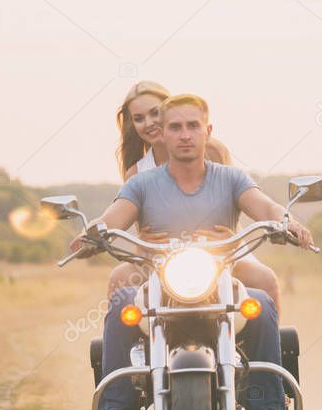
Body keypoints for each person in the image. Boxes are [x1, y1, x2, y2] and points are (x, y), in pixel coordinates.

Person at [68, 93, 315, 410]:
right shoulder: (143, 184)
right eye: (175, 127)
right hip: (159, 279)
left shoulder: (231, 179)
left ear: (207, 131)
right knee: (123, 301)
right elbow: (114, 216)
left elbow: (264, 206)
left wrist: (286, 222)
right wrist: (91, 233)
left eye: (193, 126)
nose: (185, 135)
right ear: (162, 136)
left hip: (218, 278)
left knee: (259, 303)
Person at [107, 81, 281, 312]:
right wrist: (141, 247)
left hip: (220, 250)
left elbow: (226, 202)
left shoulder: (211, 153)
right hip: (160, 258)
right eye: (139, 118)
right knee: (119, 281)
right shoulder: (137, 173)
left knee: (265, 279)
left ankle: (268, 345)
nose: (150, 123)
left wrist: (234, 242)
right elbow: (126, 217)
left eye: (155, 113)